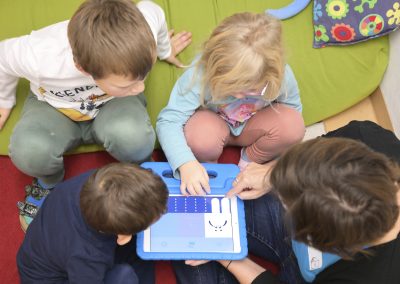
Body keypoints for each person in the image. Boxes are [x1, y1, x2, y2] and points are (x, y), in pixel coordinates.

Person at [0, 0, 191, 226]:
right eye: (127, 83)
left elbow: (154, 9)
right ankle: (48, 182)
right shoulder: (40, 55)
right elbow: (3, 57)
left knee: (135, 138)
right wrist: (4, 99)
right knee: (29, 151)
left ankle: (139, 166)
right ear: (83, 69)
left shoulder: (144, 25)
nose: (140, 88)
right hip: (54, 108)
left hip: (111, 105)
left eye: (143, 77)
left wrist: (163, 49)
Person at [178, 120, 400, 284]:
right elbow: (309, 155)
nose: (282, 202)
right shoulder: (368, 139)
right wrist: (270, 175)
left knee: (196, 252)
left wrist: (229, 259)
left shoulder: (377, 276)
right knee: (192, 227)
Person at [156, 12, 305, 196]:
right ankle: (209, 167)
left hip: (252, 128)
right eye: (230, 87)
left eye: (250, 90)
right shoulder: (200, 74)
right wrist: (186, 163)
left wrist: (256, 158)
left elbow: (293, 111)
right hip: (212, 127)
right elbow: (168, 121)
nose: (238, 95)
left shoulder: (280, 76)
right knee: (201, 137)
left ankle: (249, 160)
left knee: (293, 124)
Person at [17, 162, 169, 283]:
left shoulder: (99, 182)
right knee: (124, 277)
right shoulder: (88, 257)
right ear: (122, 237)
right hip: (55, 277)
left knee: (142, 248)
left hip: (56, 245)